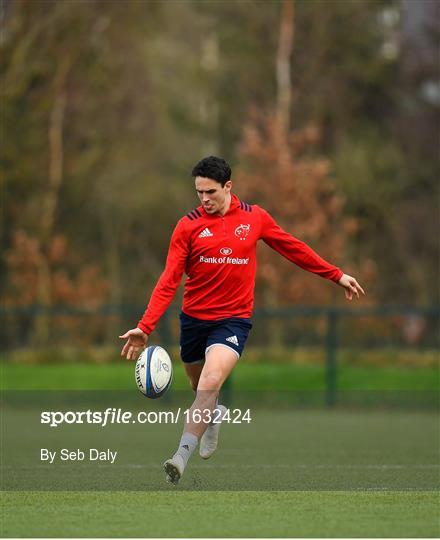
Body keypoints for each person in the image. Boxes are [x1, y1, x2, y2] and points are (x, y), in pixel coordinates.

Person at [120, 155, 365, 485]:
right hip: (194, 320)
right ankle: (215, 414)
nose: (204, 199)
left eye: (210, 192)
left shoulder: (255, 218)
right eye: (199, 193)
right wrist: (145, 327)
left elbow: (292, 247)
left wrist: (335, 275)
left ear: (228, 187)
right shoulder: (187, 226)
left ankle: (179, 456)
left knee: (209, 382)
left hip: (233, 321)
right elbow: (169, 280)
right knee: (200, 387)